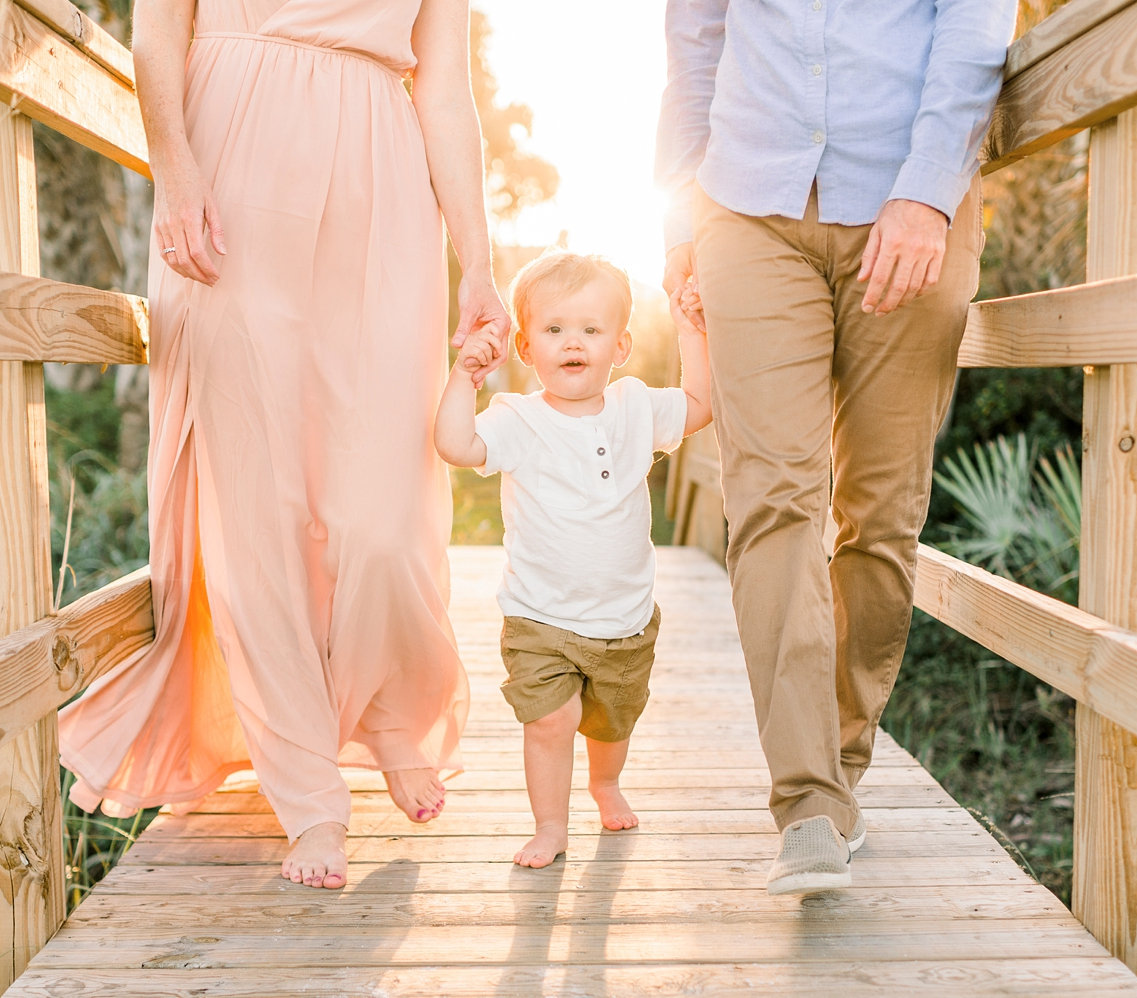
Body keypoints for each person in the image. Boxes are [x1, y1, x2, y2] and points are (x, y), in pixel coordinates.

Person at [58, 0, 509, 890]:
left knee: (383, 509)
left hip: (382, 182)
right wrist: (177, 173)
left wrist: (481, 264)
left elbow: (448, 90)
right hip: (232, 159)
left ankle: (389, 711)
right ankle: (309, 794)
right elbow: (158, 33)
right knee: (256, 500)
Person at [656, 0, 1017, 894]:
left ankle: (842, 758)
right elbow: (695, 39)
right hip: (746, 206)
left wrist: (928, 191)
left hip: (906, 207)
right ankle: (809, 802)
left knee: (882, 513)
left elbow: (975, 29)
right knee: (774, 497)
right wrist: (678, 213)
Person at [434, 252, 712, 868]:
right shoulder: (518, 419)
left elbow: (700, 404)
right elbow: (456, 445)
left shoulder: (637, 407)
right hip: (541, 619)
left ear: (620, 345)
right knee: (551, 722)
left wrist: (693, 330)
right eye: (554, 330)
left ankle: (605, 783)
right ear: (528, 349)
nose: (573, 342)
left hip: (623, 621)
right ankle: (550, 826)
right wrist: (464, 378)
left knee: (612, 723)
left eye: (591, 328)